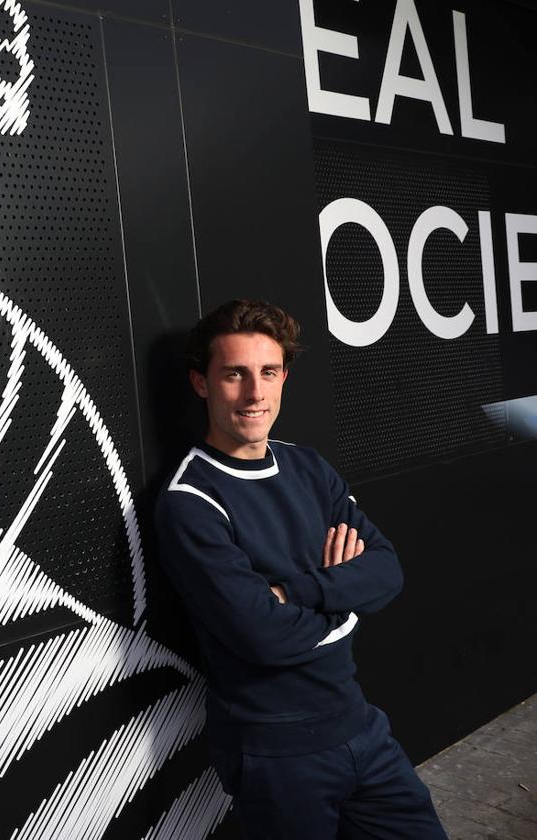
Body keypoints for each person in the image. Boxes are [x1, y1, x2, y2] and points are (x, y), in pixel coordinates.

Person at [154, 299, 446, 838]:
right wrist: (342, 598)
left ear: (284, 377)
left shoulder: (309, 468)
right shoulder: (191, 500)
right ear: (201, 383)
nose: (254, 393)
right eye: (234, 375)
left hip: (360, 723)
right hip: (276, 751)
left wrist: (294, 592)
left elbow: (386, 570)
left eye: (268, 373)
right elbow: (260, 634)